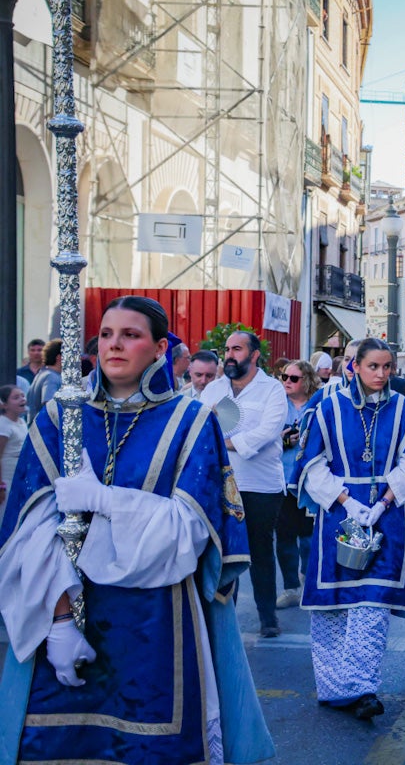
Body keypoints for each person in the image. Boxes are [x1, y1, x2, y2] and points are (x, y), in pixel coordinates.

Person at [0, 295, 272, 763]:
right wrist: (62, 621)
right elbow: (27, 531)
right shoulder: (58, 419)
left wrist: (103, 501)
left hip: (159, 619)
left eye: (131, 335)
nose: (114, 345)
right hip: (62, 609)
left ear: (160, 347)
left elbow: (187, 535)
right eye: (107, 334)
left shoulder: (192, 422)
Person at [293, 338, 405, 719]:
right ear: (355, 367)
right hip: (338, 514)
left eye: (388, 367)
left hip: (385, 518)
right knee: (335, 605)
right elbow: (310, 463)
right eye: (374, 367)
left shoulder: (403, 408)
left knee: (372, 605)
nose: (382, 374)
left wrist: (383, 502)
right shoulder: (328, 406)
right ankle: (335, 688)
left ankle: (363, 689)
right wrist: (346, 501)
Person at [200, 330, 289, 637]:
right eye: (227, 349)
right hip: (223, 484)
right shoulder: (213, 390)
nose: (229, 355)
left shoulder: (272, 389)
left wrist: (225, 442)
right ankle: (226, 618)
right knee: (225, 552)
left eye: (237, 349)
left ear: (254, 355)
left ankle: (268, 618)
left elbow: (267, 433)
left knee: (260, 551)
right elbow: (200, 429)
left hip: (260, 485)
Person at [275, 359, 321, 610]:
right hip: (282, 479)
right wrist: (282, 440)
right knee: (284, 536)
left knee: (308, 537)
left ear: (307, 380)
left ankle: (308, 578)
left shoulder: (318, 404)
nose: (287, 382)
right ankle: (291, 586)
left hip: (309, 480)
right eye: (284, 377)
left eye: (293, 378)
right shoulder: (278, 405)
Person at [0, 385, 27, 506]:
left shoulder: (22, 422)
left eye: (22, 395)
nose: (22, 399)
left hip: (19, 475)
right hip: (7, 478)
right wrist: (1, 486)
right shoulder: (3, 424)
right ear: (5, 405)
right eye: (16, 397)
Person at [26, 339, 63, 422]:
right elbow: (49, 404)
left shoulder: (43, 374)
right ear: (59, 357)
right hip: (45, 430)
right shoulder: (51, 377)